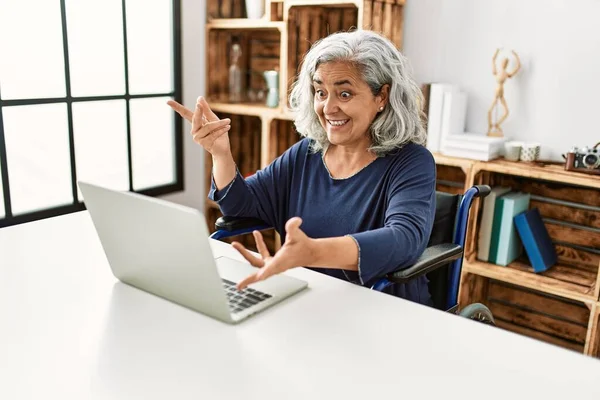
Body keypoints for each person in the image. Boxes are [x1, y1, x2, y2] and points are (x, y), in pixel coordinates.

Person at [168, 30, 437, 305]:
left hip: (382, 309)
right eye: (320, 92)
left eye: (344, 94)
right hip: (307, 301)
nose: (328, 107)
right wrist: (221, 153)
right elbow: (240, 206)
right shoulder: (307, 153)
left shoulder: (412, 162)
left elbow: (404, 239)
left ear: (382, 96)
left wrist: (312, 253)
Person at [487, 48, 521, 136]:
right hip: (498, 91)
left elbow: (518, 67)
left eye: (506, 63)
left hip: (501, 92)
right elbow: (493, 60)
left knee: (506, 112)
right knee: (491, 110)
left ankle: (496, 124)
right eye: (503, 62)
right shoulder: (498, 72)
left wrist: (516, 56)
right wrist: (497, 51)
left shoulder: (506, 74)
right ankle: (491, 126)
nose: (504, 64)